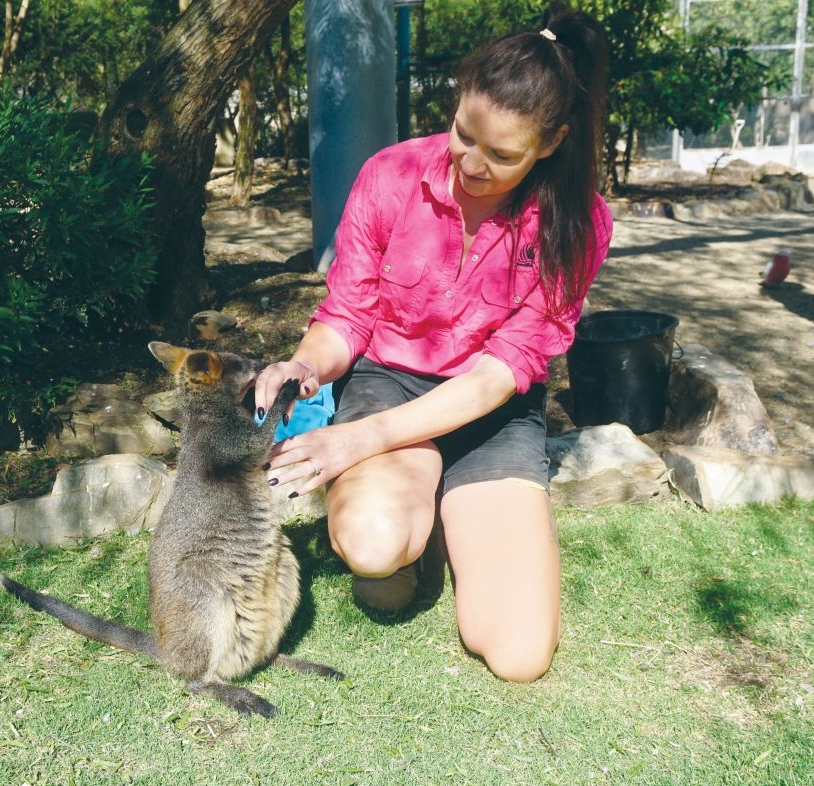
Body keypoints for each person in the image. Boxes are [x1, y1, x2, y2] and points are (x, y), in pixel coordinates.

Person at [254, 3, 613, 683]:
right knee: (375, 551)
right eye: (462, 133)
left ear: (553, 141)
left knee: (518, 654)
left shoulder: (580, 223)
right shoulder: (390, 175)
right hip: (390, 379)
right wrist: (304, 364)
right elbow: (348, 316)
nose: (472, 164)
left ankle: (449, 503)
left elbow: (501, 375)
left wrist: (358, 441)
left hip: (493, 411)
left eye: (502, 154)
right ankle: (421, 518)